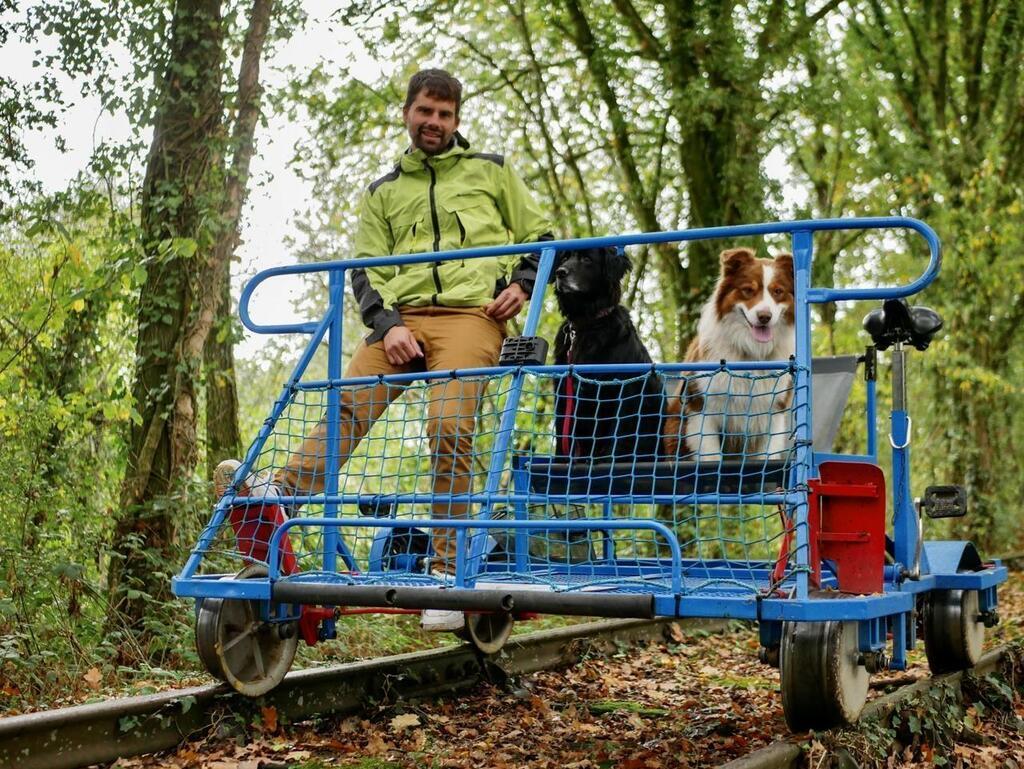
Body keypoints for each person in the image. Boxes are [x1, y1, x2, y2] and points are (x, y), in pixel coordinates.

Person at [215, 69, 552, 631]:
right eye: (426, 111)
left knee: (448, 425)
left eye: (445, 115)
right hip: (400, 322)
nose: (434, 123)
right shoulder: (383, 192)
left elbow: (542, 238)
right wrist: (388, 323)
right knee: (349, 403)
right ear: (408, 113)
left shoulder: (491, 172)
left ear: (456, 120)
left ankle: (448, 579)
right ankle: (278, 497)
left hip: (471, 317)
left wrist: (520, 281)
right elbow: (366, 270)